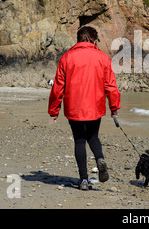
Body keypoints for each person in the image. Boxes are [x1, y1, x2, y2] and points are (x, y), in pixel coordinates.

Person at [48, 26, 121, 190]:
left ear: (79, 39)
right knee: (93, 136)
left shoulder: (67, 57)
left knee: (80, 140)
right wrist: (114, 107)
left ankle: (83, 180)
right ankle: (100, 158)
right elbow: (111, 86)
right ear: (94, 40)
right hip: (95, 106)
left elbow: (58, 88)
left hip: (74, 107)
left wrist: (54, 111)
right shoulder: (103, 58)